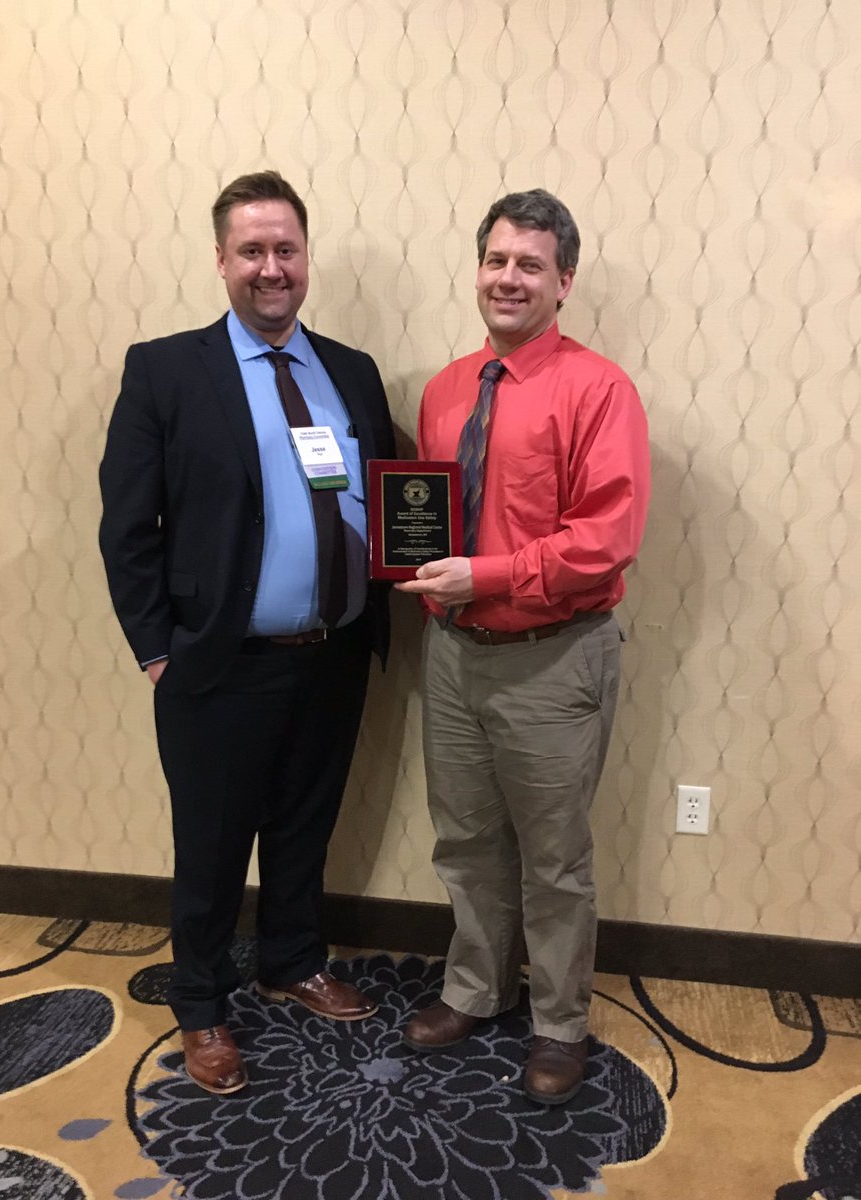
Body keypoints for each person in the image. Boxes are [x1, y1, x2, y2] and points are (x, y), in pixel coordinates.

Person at [99, 171, 395, 1094]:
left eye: (287, 249)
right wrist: (158, 647)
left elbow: (383, 502)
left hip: (334, 653)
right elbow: (125, 526)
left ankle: (291, 960)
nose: (273, 268)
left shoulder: (350, 371)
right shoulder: (166, 368)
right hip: (218, 662)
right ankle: (201, 1003)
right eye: (252, 250)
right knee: (214, 843)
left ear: (307, 259)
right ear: (222, 259)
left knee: (306, 823)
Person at [397, 188, 650, 1105]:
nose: (510, 278)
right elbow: (428, 524)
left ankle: (559, 1022)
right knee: (464, 840)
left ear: (563, 281)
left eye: (530, 265)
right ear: (479, 271)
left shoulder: (599, 389)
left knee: (553, 857)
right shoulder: (444, 390)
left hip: (554, 658)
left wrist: (489, 577)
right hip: (455, 654)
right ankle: (473, 989)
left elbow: (606, 540)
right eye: (497, 260)